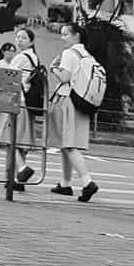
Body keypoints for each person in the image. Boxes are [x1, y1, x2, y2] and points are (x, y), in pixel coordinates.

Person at [48, 22, 99, 202]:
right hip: (82, 102)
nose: (62, 38)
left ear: (76, 35)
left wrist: (53, 67)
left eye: (65, 34)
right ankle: (65, 183)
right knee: (67, 144)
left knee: (69, 145)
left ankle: (87, 182)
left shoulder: (69, 53)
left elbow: (64, 77)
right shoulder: (87, 55)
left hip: (67, 100)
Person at [0, 28, 39, 190]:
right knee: (19, 141)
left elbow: (9, 80)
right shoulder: (34, 57)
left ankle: (22, 169)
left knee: (10, 140)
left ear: (31, 41)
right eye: (18, 37)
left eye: (23, 38)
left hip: (15, 102)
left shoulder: (21, 58)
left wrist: (0, 103)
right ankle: (16, 180)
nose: (19, 40)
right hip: (27, 104)